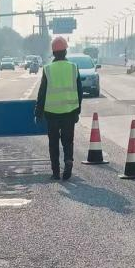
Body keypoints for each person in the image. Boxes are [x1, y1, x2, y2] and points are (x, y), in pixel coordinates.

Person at [34, 36, 83, 180]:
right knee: (68, 141)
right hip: (69, 112)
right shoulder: (73, 68)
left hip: (52, 113)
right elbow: (79, 92)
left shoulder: (48, 69)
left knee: (53, 143)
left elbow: (42, 92)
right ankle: (68, 161)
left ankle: (55, 172)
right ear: (66, 51)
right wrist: (77, 111)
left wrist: (38, 112)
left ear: (53, 53)